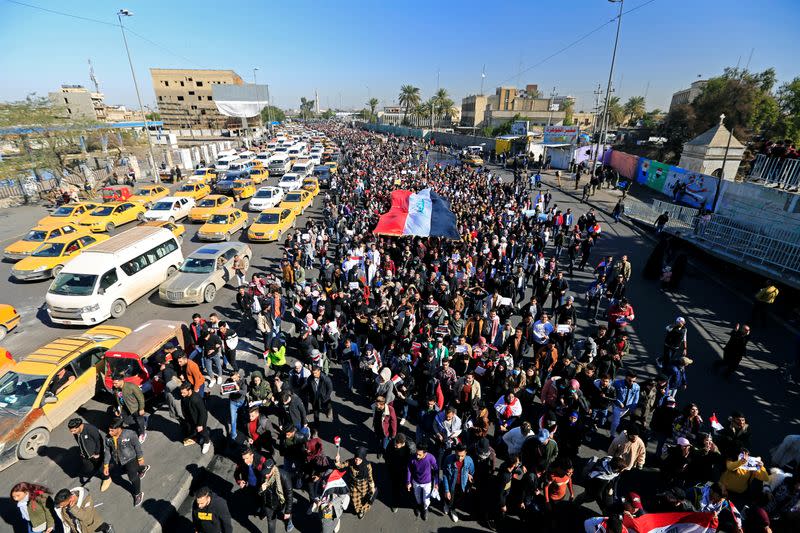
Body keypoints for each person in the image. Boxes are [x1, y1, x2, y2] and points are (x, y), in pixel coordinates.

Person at [102, 417, 150, 506]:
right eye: (109, 430)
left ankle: (137, 493)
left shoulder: (130, 434)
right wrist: (106, 465)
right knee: (117, 472)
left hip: (130, 459)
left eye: (112, 431)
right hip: (118, 460)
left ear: (119, 428)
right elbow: (108, 451)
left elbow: (137, 447)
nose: (109, 433)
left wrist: (140, 458)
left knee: (132, 477)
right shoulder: (107, 438)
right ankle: (142, 468)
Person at [336, 447, 375, 519]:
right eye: (356, 459)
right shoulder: (351, 462)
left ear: (363, 458)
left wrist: (372, 487)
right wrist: (337, 461)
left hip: (364, 486)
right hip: (354, 485)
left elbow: (370, 477)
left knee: (364, 500)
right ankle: (358, 510)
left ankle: (362, 511)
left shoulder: (368, 466)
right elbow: (341, 466)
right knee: (354, 500)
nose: (357, 461)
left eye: (359, 460)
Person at [441, 443, 475, 523]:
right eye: (458, 455)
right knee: (449, 496)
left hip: (462, 485)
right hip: (451, 484)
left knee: (458, 499)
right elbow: (445, 475)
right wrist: (446, 490)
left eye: (462, 456)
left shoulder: (469, 460)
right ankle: (447, 504)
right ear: (455, 452)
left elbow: (472, 471)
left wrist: (469, 475)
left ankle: (452, 509)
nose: (460, 458)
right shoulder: (448, 459)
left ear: (466, 453)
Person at [259, 457, 295, 532]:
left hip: (282, 502)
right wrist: (261, 489)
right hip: (269, 504)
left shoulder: (284, 476)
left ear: (273, 469)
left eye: (268, 473)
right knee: (270, 522)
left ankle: (289, 522)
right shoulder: (263, 474)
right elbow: (259, 491)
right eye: (265, 473)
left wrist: (288, 511)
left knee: (286, 516)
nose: (266, 475)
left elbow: (289, 494)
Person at [110, 374, 147, 443]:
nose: (114, 385)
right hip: (124, 408)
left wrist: (141, 408)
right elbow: (114, 399)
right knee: (126, 420)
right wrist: (115, 409)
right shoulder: (115, 388)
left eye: (116, 383)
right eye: (113, 383)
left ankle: (142, 433)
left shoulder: (131, 386)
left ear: (121, 381)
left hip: (135, 408)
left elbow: (140, 397)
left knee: (139, 420)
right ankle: (141, 424)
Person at [407, 442, 439, 521]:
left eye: (419, 455)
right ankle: (418, 505)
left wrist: (436, 482)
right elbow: (409, 469)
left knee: (426, 500)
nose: (417, 456)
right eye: (417, 453)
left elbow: (436, 470)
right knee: (417, 497)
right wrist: (408, 481)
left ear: (425, 453)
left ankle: (425, 509)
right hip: (416, 482)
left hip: (427, 483)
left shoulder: (431, 458)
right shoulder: (413, 458)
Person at [68, 418, 105, 485]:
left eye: (74, 431)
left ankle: (106, 478)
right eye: (71, 431)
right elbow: (79, 442)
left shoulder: (91, 429)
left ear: (80, 426)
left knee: (101, 467)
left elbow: (99, 441)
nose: (72, 433)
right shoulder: (76, 432)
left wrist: (97, 453)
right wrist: (82, 451)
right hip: (86, 455)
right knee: (88, 468)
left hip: (95, 454)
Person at [384, 433, 415, 513]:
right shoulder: (392, 443)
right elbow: (387, 455)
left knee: (407, 486)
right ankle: (395, 503)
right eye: (395, 443)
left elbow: (414, 461)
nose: (395, 445)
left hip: (405, 471)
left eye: (397, 445)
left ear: (403, 443)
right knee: (395, 487)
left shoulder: (410, 448)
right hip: (394, 470)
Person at [180, 381, 211, 454]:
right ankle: (200, 437)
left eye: (183, 392)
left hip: (199, 419)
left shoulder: (196, 399)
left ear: (189, 390)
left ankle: (207, 442)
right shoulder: (185, 396)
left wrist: (200, 424)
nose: (182, 394)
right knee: (195, 430)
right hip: (191, 418)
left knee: (203, 431)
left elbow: (203, 413)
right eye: (181, 392)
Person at [610, 370, 640, 436]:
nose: (631, 382)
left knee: (616, 418)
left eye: (634, 381)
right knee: (616, 422)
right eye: (630, 380)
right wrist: (618, 402)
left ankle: (610, 418)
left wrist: (632, 408)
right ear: (626, 377)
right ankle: (612, 435)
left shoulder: (637, 387)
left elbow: (636, 399)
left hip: (627, 408)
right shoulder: (617, 383)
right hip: (617, 406)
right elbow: (612, 395)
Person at [223, 369, 248, 441]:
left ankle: (247, 433)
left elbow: (244, 392)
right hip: (233, 402)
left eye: (234, 378)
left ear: (238, 375)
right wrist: (222, 391)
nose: (233, 380)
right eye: (232, 378)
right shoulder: (229, 380)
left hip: (242, 401)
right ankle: (233, 435)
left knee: (244, 417)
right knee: (233, 419)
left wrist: (238, 390)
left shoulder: (243, 381)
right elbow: (224, 389)